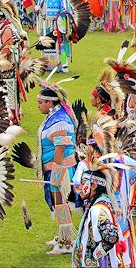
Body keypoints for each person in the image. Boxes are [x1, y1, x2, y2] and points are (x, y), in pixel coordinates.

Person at [35, 81, 78, 255]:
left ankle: (66, 243)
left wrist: (57, 172)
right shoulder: (55, 117)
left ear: (50, 103)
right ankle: (62, 235)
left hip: (60, 169)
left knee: (61, 204)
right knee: (59, 204)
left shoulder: (60, 121)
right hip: (55, 168)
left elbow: (60, 148)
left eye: (40, 103)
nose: (38, 106)